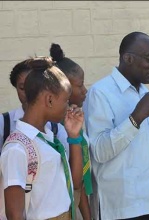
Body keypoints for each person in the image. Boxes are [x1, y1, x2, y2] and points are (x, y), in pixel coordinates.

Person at [84, 32, 149, 220]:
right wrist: (136, 118)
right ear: (128, 58)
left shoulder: (145, 92)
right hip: (122, 208)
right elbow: (99, 151)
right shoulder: (100, 93)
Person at [0, 57, 84, 219]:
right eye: (66, 100)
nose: (68, 106)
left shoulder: (48, 137)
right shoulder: (17, 148)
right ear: (50, 100)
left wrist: (74, 137)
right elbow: (15, 215)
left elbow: (75, 182)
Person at [50, 43, 92, 220]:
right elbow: (75, 180)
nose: (85, 91)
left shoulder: (75, 121)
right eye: (80, 85)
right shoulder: (56, 130)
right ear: (64, 88)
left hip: (81, 203)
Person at [0, 59, 69, 153]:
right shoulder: (4, 124)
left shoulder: (55, 128)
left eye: (35, 87)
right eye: (23, 88)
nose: (29, 93)